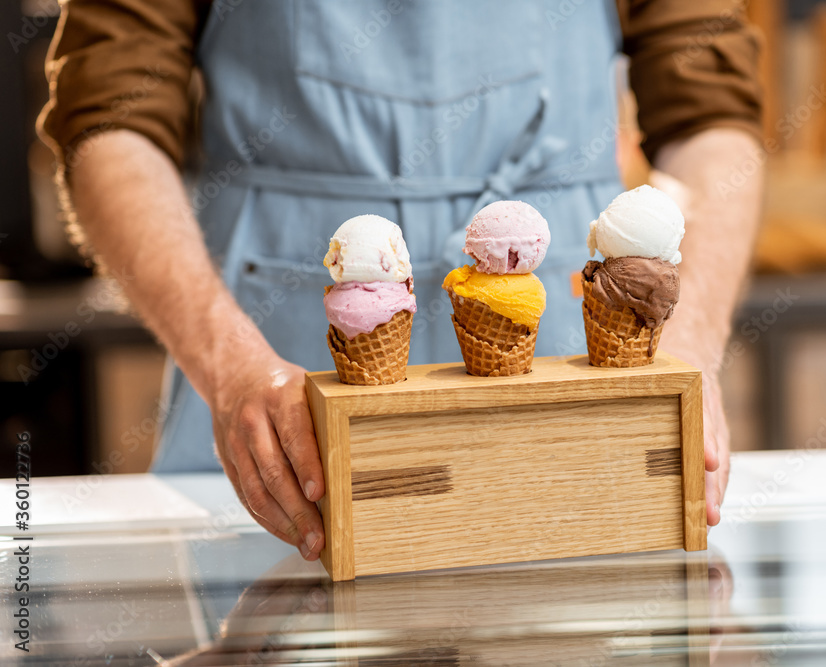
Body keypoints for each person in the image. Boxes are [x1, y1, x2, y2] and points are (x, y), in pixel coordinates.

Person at [40, 0, 764, 562]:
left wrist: (686, 347)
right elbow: (111, 113)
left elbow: (711, 116)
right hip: (269, 363)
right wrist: (228, 365)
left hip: (561, 366)